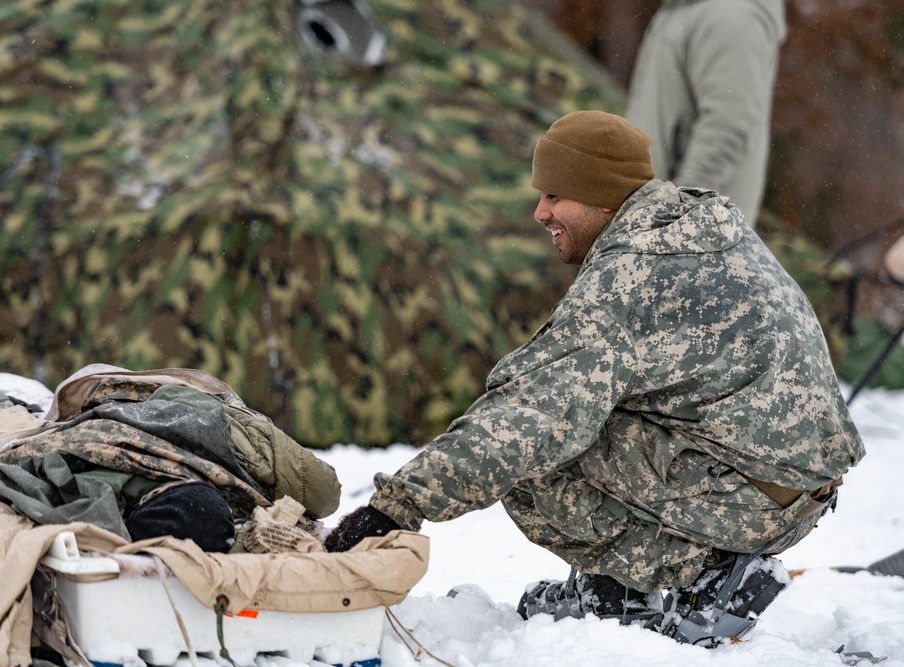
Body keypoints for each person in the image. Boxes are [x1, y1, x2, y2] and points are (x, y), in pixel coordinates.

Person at [324, 110, 865, 646]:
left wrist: (394, 508)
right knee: (575, 417)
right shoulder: (694, 228)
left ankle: (705, 578)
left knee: (532, 457)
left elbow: (528, 412)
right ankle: (626, 584)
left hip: (750, 502)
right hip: (788, 489)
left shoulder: (630, 275)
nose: (539, 212)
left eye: (556, 196)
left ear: (603, 197)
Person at [625, 0, 787, 229]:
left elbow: (728, 126)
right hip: (659, 226)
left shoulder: (733, 16)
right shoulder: (684, 9)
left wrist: (676, 208)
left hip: (690, 241)